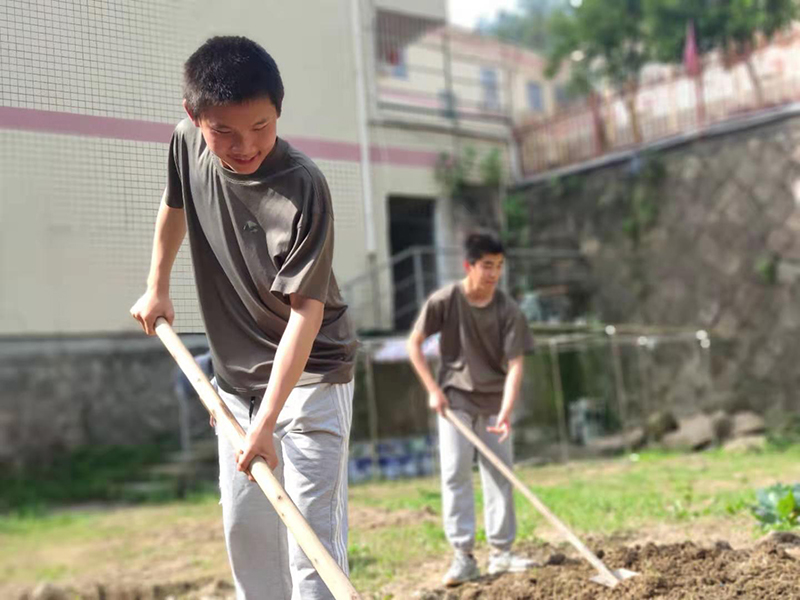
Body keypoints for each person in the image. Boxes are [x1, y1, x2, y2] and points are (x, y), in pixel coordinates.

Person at [130, 36, 357, 600]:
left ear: (278, 110)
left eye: (260, 126)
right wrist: (157, 286)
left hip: (309, 377)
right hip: (235, 382)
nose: (244, 145)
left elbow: (308, 313)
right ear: (194, 116)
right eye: (224, 131)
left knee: (312, 548)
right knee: (247, 536)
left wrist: (268, 420)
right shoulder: (186, 144)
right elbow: (174, 205)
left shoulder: (303, 187)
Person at [407, 231, 536, 587]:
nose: (494, 274)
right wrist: (433, 390)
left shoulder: (508, 311)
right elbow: (414, 344)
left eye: (499, 266)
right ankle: (463, 557)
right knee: (455, 473)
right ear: (469, 266)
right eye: (487, 266)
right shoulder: (446, 300)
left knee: (500, 475)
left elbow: (516, 366)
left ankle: (502, 553)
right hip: (455, 401)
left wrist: (507, 410)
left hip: (494, 403)